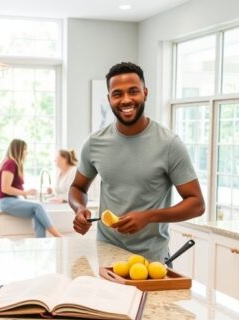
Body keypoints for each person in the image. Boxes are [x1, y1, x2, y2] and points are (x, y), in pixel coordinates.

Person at [68, 62, 205, 262]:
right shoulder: (94, 142)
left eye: (133, 91)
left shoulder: (169, 144)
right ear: (109, 99)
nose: (126, 100)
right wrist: (79, 209)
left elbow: (197, 204)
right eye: (117, 94)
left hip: (152, 260)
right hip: (106, 257)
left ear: (145, 93)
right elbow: (77, 188)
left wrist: (149, 216)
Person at [0, 139, 62, 238]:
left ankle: (40, 243)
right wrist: (26, 192)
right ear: (18, 150)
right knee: (38, 207)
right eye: (25, 149)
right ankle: (58, 236)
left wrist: (27, 195)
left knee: (37, 215)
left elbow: (14, 188)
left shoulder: (13, 163)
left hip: (10, 201)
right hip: (6, 202)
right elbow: (5, 188)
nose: (26, 152)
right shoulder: (10, 163)